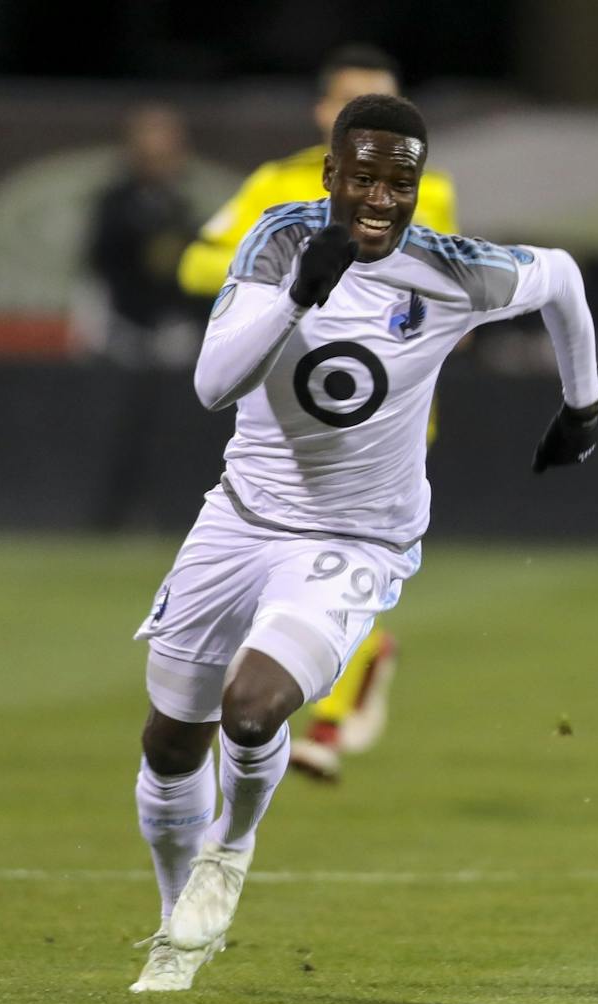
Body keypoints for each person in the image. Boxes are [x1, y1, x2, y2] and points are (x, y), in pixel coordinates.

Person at [128, 93, 598, 993]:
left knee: (254, 708)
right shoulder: (278, 241)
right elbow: (212, 384)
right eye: (365, 178)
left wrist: (583, 406)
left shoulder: (453, 270)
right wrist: (304, 289)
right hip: (240, 518)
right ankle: (171, 928)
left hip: (356, 539)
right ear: (331, 177)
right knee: (169, 742)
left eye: (401, 182)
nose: (381, 200)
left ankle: (230, 850)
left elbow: (565, 279)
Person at [179, 43, 460, 782]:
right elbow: (198, 263)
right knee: (278, 560)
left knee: (349, 551)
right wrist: (280, 264)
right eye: (351, 101)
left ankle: (328, 727)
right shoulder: (274, 187)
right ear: (322, 113)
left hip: (386, 410)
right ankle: (344, 673)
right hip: (291, 407)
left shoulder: (430, 191)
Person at [82, 104, 208, 530]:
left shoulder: (181, 206)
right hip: (124, 332)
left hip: (172, 337)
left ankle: (166, 513)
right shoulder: (115, 204)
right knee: (118, 428)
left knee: (170, 432)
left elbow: (190, 270)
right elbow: (102, 264)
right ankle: (109, 517)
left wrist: (186, 320)